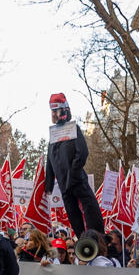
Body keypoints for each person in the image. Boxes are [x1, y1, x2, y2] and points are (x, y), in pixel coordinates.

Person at [40, 93, 104, 238]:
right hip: (63, 183)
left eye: (56, 111)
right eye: (52, 111)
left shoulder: (74, 128)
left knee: (89, 206)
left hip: (76, 178)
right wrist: (48, 184)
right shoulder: (53, 135)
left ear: (64, 110)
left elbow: (82, 152)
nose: (53, 114)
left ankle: (96, 237)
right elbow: (50, 160)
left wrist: (74, 172)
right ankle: (82, 237)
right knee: (71, 211)